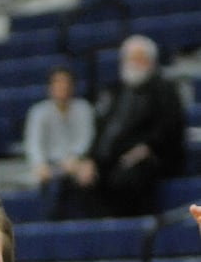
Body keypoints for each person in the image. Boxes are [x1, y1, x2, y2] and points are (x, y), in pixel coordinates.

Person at [71, 35, 186, 216]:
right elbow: (101, 131)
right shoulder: (114, 92)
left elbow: (170, 127)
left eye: (139, 59)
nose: (134, 64)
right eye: (130, 59)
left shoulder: (164, 90)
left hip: (149, 157)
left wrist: (147, 147)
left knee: (128, 177)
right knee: (75, 180)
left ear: (151, 61)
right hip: (111, 158)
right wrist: (89, 159)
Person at [22, 64, 94, 219]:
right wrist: (40, 164)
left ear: (73, 86)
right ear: (50, 87)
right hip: (49, 166)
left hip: (76, 162)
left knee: (86, 176)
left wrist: (75, 158)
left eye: (65, 82)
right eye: (57, 82)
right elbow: (34, 143)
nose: (62, 87)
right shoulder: (38, 112)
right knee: (48, 185)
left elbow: (85, 139)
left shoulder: (84, 109)